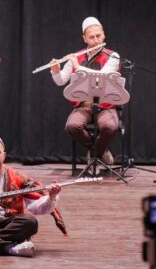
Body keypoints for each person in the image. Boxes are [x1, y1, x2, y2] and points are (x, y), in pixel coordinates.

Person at [51, 16, 120, 166]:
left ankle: (94, 154)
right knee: (72, 127)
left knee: (110, 127)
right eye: (91, 37)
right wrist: (55, 71)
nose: (96, 40)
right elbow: (60, 81)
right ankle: (100, 151)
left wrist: (77, 65)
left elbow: (102, 76)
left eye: (98, 36)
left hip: (105, 105)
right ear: (84, 39)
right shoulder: (76, 56)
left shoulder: (113, 56)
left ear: (104, 35)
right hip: (83, 105)